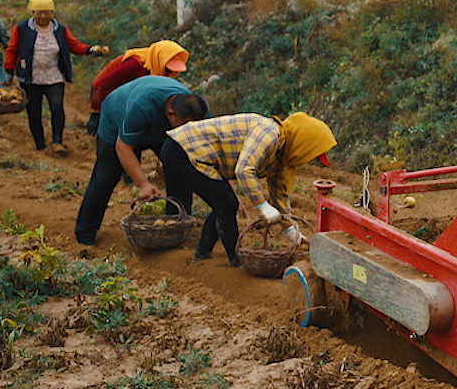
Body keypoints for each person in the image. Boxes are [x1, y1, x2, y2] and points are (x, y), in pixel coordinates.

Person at [160, 111, 335, 266]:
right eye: (310, 155)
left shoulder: (283, 158)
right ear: (304, 144)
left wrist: (290, 230)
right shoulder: (270, 133)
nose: (307, 161)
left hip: (192, 154)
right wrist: (262, 205)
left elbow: (279, 195)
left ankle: (202, 255)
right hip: (183, 149)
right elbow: (244, 170)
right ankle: (235, 261)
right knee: (227, 203)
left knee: (223, 203)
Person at [74, 76, 210, 246]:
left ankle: (176, 226)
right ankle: (85, 235)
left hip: (160, 127)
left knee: (178, 167)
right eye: (185, 126)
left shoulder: (196, 108)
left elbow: (210, 145)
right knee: (105, 176)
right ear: (171, 114)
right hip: (117, 122)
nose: (188, 131)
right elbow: (122, 148)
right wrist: (143, 183)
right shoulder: (142, 105)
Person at [3, 0, 108, 156]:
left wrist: (90, 50)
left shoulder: (60, 29)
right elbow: (12, 50)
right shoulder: (21, 29)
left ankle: (57, 141)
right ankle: (40, 145)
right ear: (33, 13)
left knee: (57, 108)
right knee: (34, 112)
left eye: (47, 12)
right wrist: (9, 71)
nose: (43, 16)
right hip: (30, 78)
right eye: (39, 13)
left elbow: (74, 45)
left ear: (52, 13)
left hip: (54, 76)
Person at [85, 41, 190, 137]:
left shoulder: (156, 68)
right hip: (104, 94)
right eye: (167, 69)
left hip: (127, 96)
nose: (170, 74)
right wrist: (95, 113)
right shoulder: (135, 65)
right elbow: (101, 85)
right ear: (160, 59)